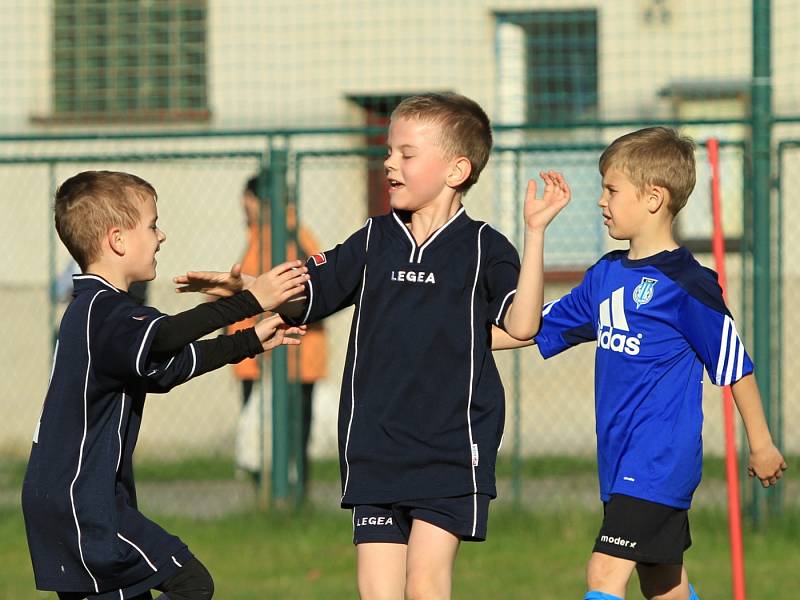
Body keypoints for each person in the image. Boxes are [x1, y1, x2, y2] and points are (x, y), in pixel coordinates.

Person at [176, 92, 570, 600]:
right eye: (389, 151)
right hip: (376, 449)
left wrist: (535, 233)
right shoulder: (372, 239)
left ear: (456, 170)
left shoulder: (485, 247)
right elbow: (306, 296)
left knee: (425, 586)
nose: (389, 163)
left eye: (407, 153)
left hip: (451, 449)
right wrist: (249, 289)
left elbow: (523, 325)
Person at [497, 127, 787, 600]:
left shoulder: (689, 284)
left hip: (659, 459)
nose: (601, 202)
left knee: (604, 573)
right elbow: (529, 328)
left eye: (611, 190)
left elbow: (735, 363)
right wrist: (454, 339)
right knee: (662, 582)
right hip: (618, 457)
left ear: (653, 198)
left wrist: (761, 443)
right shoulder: (605, 275)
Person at [21, 171, 308, 600]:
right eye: (152, 225)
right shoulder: (103, 310)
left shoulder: (96, 314)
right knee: (191, 582)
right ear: (117, 240)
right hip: (86, 502)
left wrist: (249, 341)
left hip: (64, 500)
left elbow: (169, 366)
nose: (162, 236)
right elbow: (166, 337)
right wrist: (252, 300)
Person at [228, 173, 328, 486]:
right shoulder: (266, 235)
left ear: (262, 202)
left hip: (284, 353)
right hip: (256, 353)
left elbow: (287, 291)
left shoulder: (285, 236)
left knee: (291, 432)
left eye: (248, 200)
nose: (243, 208)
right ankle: (273, 495)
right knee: (262, 433)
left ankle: (288, 495)